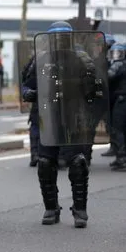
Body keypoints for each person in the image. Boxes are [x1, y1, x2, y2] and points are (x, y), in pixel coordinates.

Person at [22, 21, 94, 228]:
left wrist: (87, 89)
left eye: (63, 38)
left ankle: (80, 210)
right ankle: (51, 208)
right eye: (56, 39)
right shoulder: (41, 59)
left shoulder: (82, 59)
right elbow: (27, 84)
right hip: (48, 116)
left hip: (73, 117)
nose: (60, 43)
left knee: (78, 162)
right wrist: (29, 93)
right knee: (45, 163)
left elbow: (96, 88)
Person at [106, 42, 126, 171]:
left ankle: (121, 158)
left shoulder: (120, 65)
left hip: (122, 100)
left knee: (117, 129)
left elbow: (108, 77)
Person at [21, 55, 39, 167]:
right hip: (42, 97)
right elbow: (27, 79)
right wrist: (28, 92)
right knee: (36, 124)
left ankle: (35, 153)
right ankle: (35, 153)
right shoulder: (40, 57)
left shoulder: (39, 56)